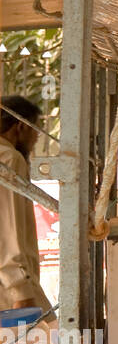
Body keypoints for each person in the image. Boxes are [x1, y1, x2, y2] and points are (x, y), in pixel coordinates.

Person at [0, 96, 50, 313]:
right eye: (36, 130)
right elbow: (8, 229)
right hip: (9, 291)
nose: (37, 137)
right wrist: (19, 289)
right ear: (20, 126)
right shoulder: (10, 160)